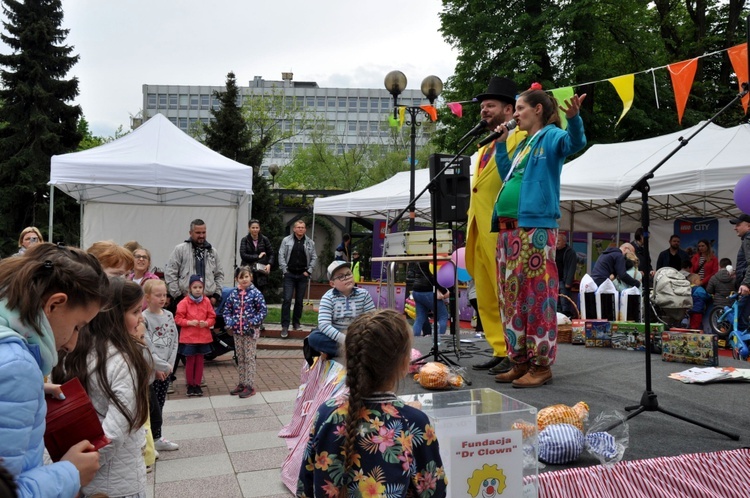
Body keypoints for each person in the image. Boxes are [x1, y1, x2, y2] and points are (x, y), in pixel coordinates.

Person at [492, 88, 587, 388]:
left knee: (536, 297)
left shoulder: (551, 135)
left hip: (534, 228)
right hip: (508, 231)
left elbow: (575, 142)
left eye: (519, 108)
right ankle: (519, 361)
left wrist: (573, 119)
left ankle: (541, 365)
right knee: (511, 300)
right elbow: (509, 174)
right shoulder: (523, 144)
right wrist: (500, 145)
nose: (515, 114)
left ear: (537, 110)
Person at [297, 309, 448, 498]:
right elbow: (434, 490)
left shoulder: (326, 413)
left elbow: (305, 486)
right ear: (404, 365)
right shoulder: (413, 423)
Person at [0, 243, 107, 498]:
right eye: (78, 326)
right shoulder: (17, 367)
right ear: (54, 304)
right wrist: (70, 472)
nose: (72, 344)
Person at [56, 278, 151, 498]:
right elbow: (114, 434)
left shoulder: (68, 351)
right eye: (135, 311)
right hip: (115, 481)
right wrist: (77, 470)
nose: (141, 318)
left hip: (71, 468)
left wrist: (65, 470)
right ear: (114, 315)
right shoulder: (125, 361)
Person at [466, 76, 524, 375]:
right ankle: (499, 347)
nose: (483, 111)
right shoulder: (483, 145)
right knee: (486, 295)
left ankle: (515, 351)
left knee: (505, 294)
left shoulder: (518, 138)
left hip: (502, 228)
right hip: (478, 228)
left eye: (490, 105)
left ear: (509, 109)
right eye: (482, 107)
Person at [303, 260, 375, 363]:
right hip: (336, 335)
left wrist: (359, 336)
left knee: (379, 334)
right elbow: (324, 325)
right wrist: (345, 340)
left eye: (348, 274)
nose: (347, 278)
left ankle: (349, 351)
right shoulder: (328, 297)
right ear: (332, 283)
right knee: (314, 338)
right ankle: (355, 352)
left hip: (358, 333)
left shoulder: (364, 294)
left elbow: (372, 318)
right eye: (341, 277)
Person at [142, 279, 180, 452]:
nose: (162, 298)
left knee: (161, 403)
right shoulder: (144, 318)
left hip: (167, 369)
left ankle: (157, 436)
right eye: (158, 295)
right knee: (152, 406)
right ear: (147, 297)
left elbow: (174, 341)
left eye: (164, 295)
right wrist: (158, 367)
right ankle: (150, 439)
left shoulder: (169, 315)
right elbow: (147, 346)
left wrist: (169, 365)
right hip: (154, 370)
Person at [223, 266, 267, 398]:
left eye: (246, 276)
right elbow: (227, 310)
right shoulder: (233, 294)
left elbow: (263, 311)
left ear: (251, 277)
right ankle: (242, 383)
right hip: (237, 332)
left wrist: (252, 322)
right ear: (237, 279)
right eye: (241, 277)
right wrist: (230, 322)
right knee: (240, 358)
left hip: (250, 332)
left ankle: (250, 386)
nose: (244, 280)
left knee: (249, 358)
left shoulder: (256, 293)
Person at [165, 219, 225, 309]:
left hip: (207, 301)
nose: (201, 235)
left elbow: (219, 275)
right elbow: (170, 273)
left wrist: (216, 295)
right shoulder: (180, 250)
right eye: (198, 233)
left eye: (204, 232)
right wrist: (178, 296)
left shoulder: (212, 251)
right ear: (190, 233)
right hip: (185, 300)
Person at [174, 275, 216, 397]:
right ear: (190, 289)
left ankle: (197, 384)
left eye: (200, 287)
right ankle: (190, 385)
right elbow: (178, 318)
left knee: (200, 361)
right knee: (190, 361)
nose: (198, 289)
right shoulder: (184, 302)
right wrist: (188, 322)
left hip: (203, 337)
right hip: (189, 337)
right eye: (195, 287)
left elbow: (212, 317)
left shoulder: (206, 301)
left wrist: (207, 323)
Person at [278, 220, 317, 338]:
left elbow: (314, 257)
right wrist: (285, 270)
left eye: (303, 227)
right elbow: (281, 255)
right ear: (294, 229)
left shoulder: (310, 242)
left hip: (302, 275)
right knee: (287, 300)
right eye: (298, 227)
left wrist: (309, 271)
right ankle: (285, 326)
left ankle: (296, 323)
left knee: (299, 301)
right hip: (289, 274)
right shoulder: (286, 241)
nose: (301, 229)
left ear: (305, 229)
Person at [411, 260, 449, 337]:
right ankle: (440, 339)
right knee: (443, 315)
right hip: (428, 291)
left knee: (420, 317)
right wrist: (444, 291)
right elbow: (433, 278)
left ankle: (414, 339)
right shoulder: (431, 261)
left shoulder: (419, 259)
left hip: (416, 290)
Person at [239, 219, 274, 295]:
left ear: (259, 228)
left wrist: (269, 264)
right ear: (249, 228)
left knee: (260, 295)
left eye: (257, 227)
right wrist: (257, 256)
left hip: (261, 272)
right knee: (247, 294)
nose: (255, 230)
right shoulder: (244, 240)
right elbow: (243, 255)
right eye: (253, 228)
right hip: (248, 271)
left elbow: (271, 254)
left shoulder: (264, 239)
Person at [731, 214, 750, 331]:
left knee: (741, 320)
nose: (735, 228)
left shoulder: (748, 239)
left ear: (748, 226)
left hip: (747, 288)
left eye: (738, 225)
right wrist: (738, 272)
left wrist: (746, 283)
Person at [556, 232, 578, 317]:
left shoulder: (570, 252)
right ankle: (558, 318)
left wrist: (568, 282)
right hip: (555, 280)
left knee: (564, 301)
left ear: (564, 242)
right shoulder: (554, 251)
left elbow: (572, 268)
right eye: (556, 241)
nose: (556, 243)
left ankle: (566, 318)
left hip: (564, 281)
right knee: (556, 300)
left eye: (558, 241)